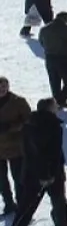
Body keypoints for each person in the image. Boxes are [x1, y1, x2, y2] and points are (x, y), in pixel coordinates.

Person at [4, 98, 67, 226]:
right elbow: (53, 153)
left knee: (26, 206)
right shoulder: (53, 126)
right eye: (55, 106)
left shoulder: (28, 124)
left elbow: (28, 151)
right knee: (58, 201)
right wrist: (48, 175)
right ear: (50, 109)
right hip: (51, 174)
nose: (57, 108)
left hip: (31, 172)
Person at [0, 79, 32, 215]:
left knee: (18, 178)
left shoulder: (18, 102)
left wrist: (11, 127)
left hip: (16, 147)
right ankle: (8, 204)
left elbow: (28, 120)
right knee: (1, 180)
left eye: (4, 86)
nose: (2, 89)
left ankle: (22, 205)